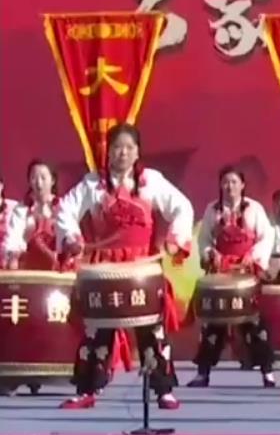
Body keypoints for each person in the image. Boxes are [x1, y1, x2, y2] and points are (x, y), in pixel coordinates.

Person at [55, 124, 195, 410]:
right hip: (105, 269)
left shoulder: (151, 181)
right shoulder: (92, 184)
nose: (123, 153)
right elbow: (65, 210)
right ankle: (87, 389)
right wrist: (72, 238)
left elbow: (182, 207)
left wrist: (174, 239)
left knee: (151, 331)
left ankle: (163, 390)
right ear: (108, 152)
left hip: (142, 268)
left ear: (138, 152)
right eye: (117, 147)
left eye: (129, 147)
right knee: (97, 332)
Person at [188, 165, 278, 389]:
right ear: (220, 185)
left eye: (234, 182)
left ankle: (267, 372)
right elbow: (204, 239)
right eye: (226, 182)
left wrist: (253, 256)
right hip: (222, 273)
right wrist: (211, 253)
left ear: (243, 185)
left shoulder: (254, 208)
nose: (230, 187)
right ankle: (203, 373)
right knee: (213, 325)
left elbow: (267, 236)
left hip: (247, 273)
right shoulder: (213, 210)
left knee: (253, 324)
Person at [3, 161, 63, 271]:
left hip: (57, 265)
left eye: (43, 178)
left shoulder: (63, 206)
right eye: (34, 178)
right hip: (30, 266)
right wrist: (13, 255)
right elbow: (13, 238)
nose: (39, 183)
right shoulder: (21, 209)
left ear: (53, 181)